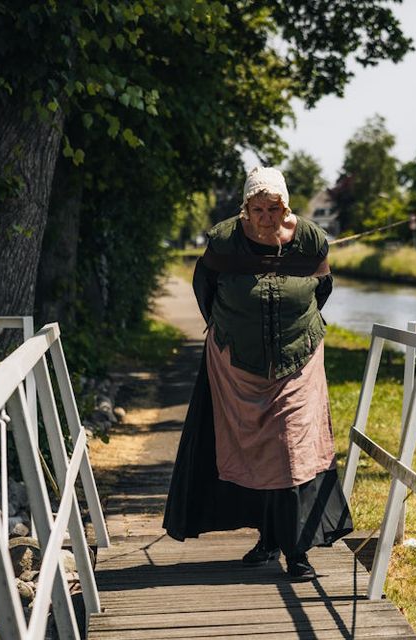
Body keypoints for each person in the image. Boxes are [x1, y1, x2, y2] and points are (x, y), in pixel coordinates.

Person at [164, 166, 353, 581]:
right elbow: (205, 291)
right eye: (258, 208)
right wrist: (231, 334)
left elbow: (322, 292)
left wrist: (294, 333)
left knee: (292, 450)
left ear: (286, 206)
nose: (267, 216)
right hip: (237, 364)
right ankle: (267, 538)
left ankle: (297, 550)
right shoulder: (223, 242)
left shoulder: (310, 241)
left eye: (275, 208)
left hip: (298, 359)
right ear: (245, 209)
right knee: (252, 450)